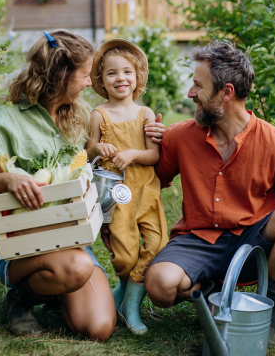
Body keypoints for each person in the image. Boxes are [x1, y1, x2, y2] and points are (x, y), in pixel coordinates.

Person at [0, 30, 165, 340]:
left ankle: (57, 291)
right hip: (21, 246)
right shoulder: (7, 119)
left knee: (99, 328)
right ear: (62, 76)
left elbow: (88, 164)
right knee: (77, 266)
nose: (90, 83)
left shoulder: (79, 115)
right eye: (85, 75)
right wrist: (8, 178)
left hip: (70, 238)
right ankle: (21, 299)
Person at [144, 40, 275, 344]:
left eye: (198, 86)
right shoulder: (179, 136)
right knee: (160, 287)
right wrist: (145, 148)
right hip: (198, 240)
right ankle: (213, 288)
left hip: (255, 241)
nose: (190, 94)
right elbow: (151, 183)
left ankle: (266, 312)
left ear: (226, 92)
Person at [85, 39, 168, 335]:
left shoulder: (144, 113)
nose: (120, 78)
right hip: (116, 191)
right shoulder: (99, 114)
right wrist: (99, 147)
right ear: (101, 80)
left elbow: (153, 155)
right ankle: (123, 290)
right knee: (124, 253)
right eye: (112, 73)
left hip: (145, 187)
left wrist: (132, 154)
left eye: (127, 72)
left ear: (137, 78)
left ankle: (129, 304)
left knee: (156, 243)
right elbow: (89, 150)